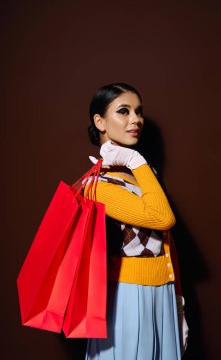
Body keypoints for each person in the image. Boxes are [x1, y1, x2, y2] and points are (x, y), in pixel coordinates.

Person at [84, 83, 189, 360]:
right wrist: (134, 158)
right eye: (124, 111)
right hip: (127, 297)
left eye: (139, 111)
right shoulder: (97, 185)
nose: (136, 120)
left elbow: (166, 244)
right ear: (100, 121)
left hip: (163, 293)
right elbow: (163, 219)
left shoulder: (142, 173)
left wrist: (179, 304)